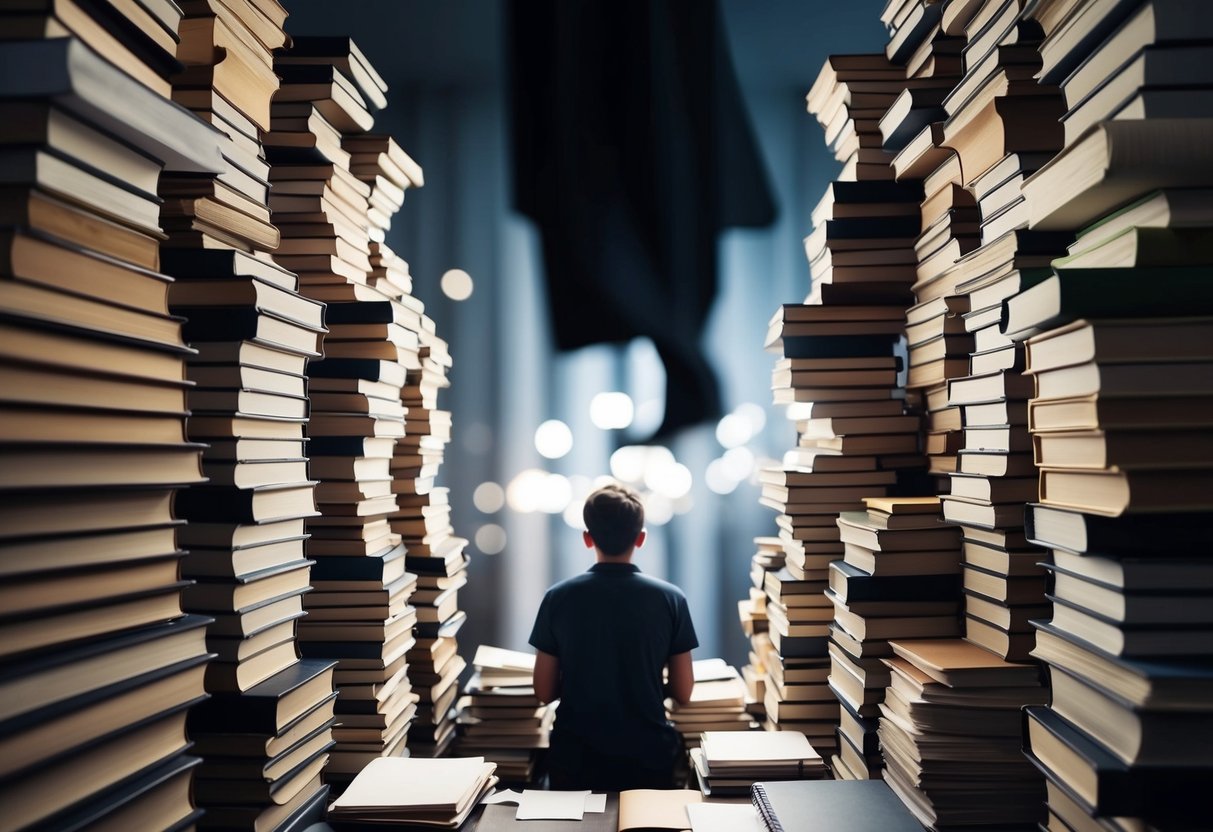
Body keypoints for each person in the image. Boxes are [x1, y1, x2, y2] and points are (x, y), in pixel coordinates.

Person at [528, 482, 698, 791]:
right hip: (648, 756)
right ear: (641, 538)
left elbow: (543, 690)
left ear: (587, 538)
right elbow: (684, 691)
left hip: (576, 757)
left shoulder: (558, 598)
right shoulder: (671, 599)